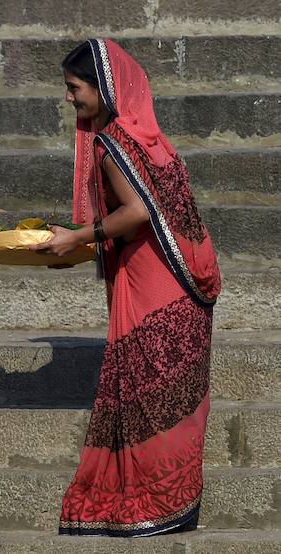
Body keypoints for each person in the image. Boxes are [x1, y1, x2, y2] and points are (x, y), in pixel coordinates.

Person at [30, 39, 222, 537]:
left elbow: (136, 214)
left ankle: (150, 505)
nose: (69, 99)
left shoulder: (113, 142)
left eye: (74, 89)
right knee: (175, 398)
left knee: (149, 392)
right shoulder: (150, 136)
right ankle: (177, 506)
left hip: (153, 288)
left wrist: (75, 236)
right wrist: (80, 249)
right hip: (184, 286)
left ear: (103, 87)